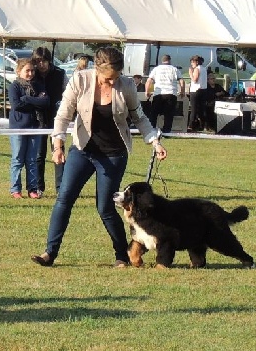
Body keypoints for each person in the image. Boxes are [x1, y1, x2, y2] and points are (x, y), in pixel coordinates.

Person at [31, 46, 167, 268]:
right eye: (109, 77)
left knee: (105, 207)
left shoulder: (128, 85)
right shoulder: (80, 80)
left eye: (117, 76)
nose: (114, 82)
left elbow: (140, 118)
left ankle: (122, 256)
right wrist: (58, 145)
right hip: (83, 150)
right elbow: (63, 115)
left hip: (113, 155)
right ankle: (49, 253)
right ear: (97, 69)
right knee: (64, 199)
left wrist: (155, 141)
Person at [8, 58, 49, 199]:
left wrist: (27, 99)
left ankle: (32, 189)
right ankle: (15, 189)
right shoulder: (14, 86)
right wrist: (34, 101)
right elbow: (16, 105)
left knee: (32, 159)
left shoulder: (38, 85)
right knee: (18, 159)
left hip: (35, 126)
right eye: (27, 70)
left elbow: (45, 102)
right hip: (18, 127)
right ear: (19, 71)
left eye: (32, 70)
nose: (30, 73)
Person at [31, 47, 68, 197]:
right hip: (39, 120)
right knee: (39, 155)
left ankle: (61, 188)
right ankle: (39, 187)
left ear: (49, 60)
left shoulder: (60, 74)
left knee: (59, 153)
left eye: (43, 60)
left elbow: (67, 92)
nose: (41, 64)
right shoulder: (32, 75)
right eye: (38, 61)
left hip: (57, 119)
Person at [145, 55, 185, 133]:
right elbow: (182, 81)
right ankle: (166, 131)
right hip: (171, 93)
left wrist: (147, 91)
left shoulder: (156, 69)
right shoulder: (174, 69)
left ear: (162, 61)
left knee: (154, 114)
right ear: (170, 60)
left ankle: (151, 130)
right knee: (169, 115)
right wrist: (182, 91)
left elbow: (149, 80)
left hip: (158, 94)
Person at [188, 55, 207, 131]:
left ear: (196, 62)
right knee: (201, 109)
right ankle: (203, 125)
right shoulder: (204, 69)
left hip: (195, 91)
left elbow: (195, 79)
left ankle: (190, 126)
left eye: (192, 62)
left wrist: (190, 73)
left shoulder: (197, 69)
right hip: (203, 90)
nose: (191, 64)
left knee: (194, 109)